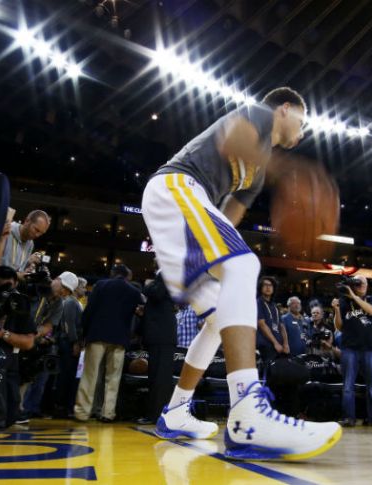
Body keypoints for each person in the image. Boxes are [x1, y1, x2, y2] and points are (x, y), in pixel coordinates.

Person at [141, 87, 341, 460]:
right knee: (244, 264)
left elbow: (229, 217)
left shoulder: (259, 174)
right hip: (176, 186)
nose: (303, 131)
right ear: (284, 109)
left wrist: (212, 259)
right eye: (303, 120)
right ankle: (247, 415)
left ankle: (176, 411)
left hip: (191, 203)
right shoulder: (259, 114)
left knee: (223, 317)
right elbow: (233, 139)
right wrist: (297, 174)